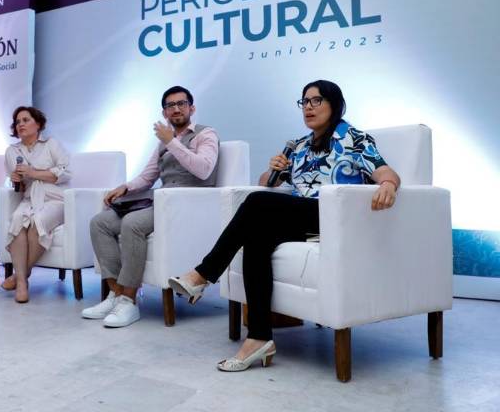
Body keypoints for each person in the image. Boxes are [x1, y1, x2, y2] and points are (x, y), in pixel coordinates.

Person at [169, 80, 400, 371]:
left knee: (256, 202)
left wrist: (389, 185)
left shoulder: (353, 138)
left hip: (334, 215)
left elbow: (384, 170)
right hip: (303, 216)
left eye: (316, 101)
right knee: (256, 237)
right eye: (304, 102)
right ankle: (259, 338)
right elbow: (268, 183)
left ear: (335, 104)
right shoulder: (299, 146)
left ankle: (203, 273)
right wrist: (273, 169)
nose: (308, 107)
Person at [82, 86, 220, 327]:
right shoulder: (163, 143)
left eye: (181, 103)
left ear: (192, 108)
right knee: (100, 222)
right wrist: (125, 187)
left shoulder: (205, 134)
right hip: (162, 203)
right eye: (170, 105)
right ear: (164, 112)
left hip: (187, 205)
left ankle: (129, 301)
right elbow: (148, 176)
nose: (176, 109)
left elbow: (203, 169)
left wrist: (172, 142)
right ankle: (116, 294)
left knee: (132, 223)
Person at [1, 106, 71, 303]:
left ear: (38, 124)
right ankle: (23, 283)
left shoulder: (51, 144)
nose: (20, 124)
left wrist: (33, 173)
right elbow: (19, 187)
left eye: (25, 120)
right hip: (29, 199)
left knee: (37, 222)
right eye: (17, 122)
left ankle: (20, 276)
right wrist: (16, 180)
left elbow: (65, 173)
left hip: (56, 199)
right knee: (17, 220)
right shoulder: (12, 151)